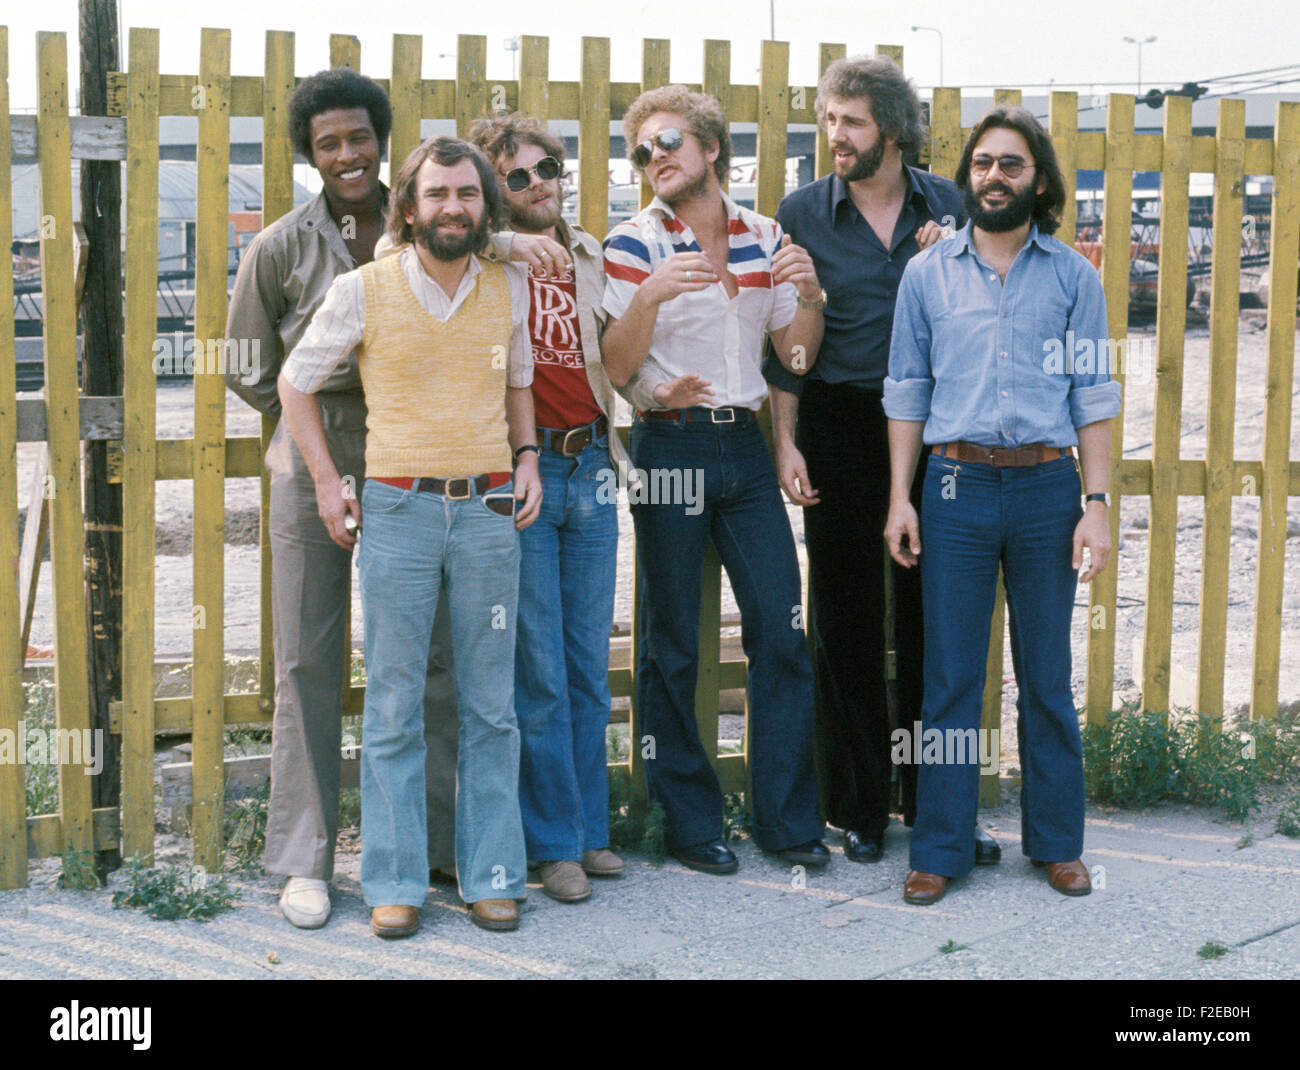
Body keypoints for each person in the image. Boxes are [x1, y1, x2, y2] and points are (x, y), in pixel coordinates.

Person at [278, 135, 540, 935]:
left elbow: (518, 379)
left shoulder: (511, 286)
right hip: (397, 510)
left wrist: (527, 455)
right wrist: (328, 479)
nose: (452, 207)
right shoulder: (364, 289)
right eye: (437, 194)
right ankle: (393, 880)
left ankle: (494, 873)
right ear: (411, 207)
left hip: (491, 507)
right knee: (393, 700)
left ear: (485, 206)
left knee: (491, 703)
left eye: (467, 194)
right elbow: (295, 383)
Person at [223, 68, 459, 930]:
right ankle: (304, 861)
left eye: (360, 136)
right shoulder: (279, 247)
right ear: (310, 155)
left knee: (432, 653)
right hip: (312, 457)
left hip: (416, 452)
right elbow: (250, 368)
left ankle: (440, 846)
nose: (348, 154)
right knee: (308, 658)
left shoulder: (424, 234)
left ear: (381, 138)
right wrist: (316, 429)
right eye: (330, 143)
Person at [762, 55, 999, 867]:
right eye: (829, 120)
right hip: (838, 421)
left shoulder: (953, 204)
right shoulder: (802, 211)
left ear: (893, 130)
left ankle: (939, 807)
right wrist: (787, 439)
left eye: (852, 122)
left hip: (936, 430)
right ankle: (859, 807)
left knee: (938, 624)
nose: (836, 136)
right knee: (846, 625)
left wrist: (957, 252)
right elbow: (784, 342)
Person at [883, 106, 1122, 905]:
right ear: (968, 178)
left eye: (1011, 165)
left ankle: (1057, 843)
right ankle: (940, 848)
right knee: (951, 678)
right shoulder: (928, 275)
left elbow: (1093, 395)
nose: (994, 176)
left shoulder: (1074, 277)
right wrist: (899, 500)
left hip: (1048, 490)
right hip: (954, 486)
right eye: (982, 163)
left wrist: (1096, 503)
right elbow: (907, 392)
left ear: (1040, 182)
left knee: (1046, 676)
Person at [601, 85, 828, 875]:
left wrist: (809, 298)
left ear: (709, 149)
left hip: (745, 450)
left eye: (667, 140)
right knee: (672, 644)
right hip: (669, 449)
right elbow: (619, 367)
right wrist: (653, 300)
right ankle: (689, 821)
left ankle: (787, 822)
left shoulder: (766, 234)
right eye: (641, 151)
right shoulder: (630, 245)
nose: (654, 158)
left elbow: (796, 358)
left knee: (782, 630)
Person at [470, 114, 660, 903]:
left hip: (593, 466)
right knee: (538, 667)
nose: (539, 185)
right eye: (516, 177)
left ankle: (588, 830)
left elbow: (612, 357)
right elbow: (395, 248)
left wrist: (654, 395)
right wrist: (506, 243)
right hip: (527, 469)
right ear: (493, 192)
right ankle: (552, 846)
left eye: (547, 168)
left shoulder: (591, 253)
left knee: (587, 663)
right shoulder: (482, 259)